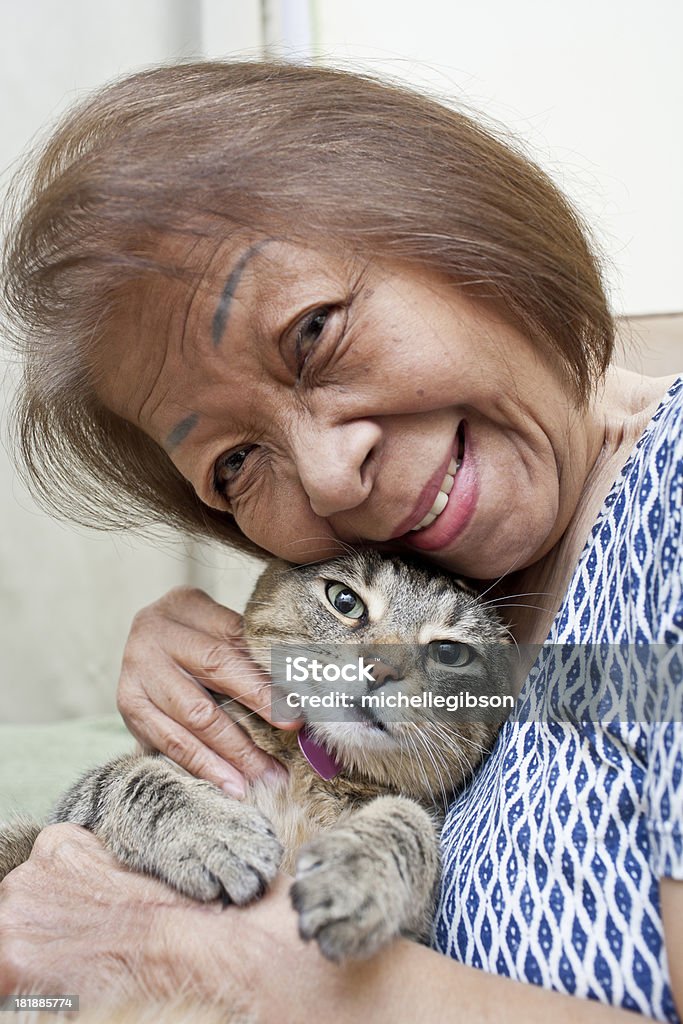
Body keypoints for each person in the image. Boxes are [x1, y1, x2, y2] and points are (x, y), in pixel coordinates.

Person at [0, 61, 680, 1023]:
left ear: (448, 215)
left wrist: (204, 961)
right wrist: (230, 654)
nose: (326, 479)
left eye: (312, 331)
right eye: (233, 465)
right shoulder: (478, 580)